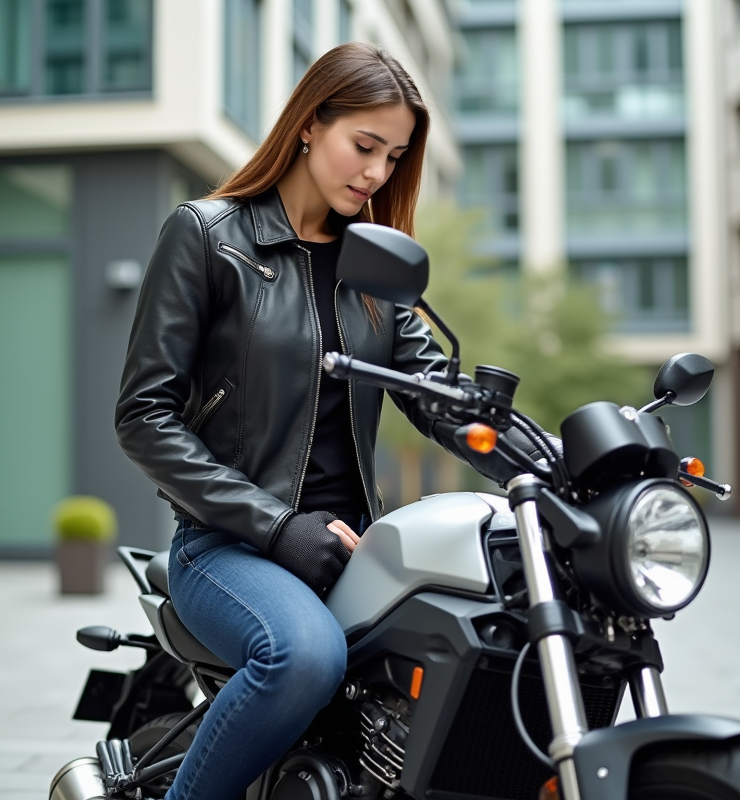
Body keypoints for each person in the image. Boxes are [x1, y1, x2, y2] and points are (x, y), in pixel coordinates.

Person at [114, 43, 538, 800]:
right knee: (302, 657)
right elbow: (144, 417)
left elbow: (438, 394)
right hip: (226, 544)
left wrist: (552, 463)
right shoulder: (209, 236)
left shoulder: (372, 269)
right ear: (310, 125)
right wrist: (277, 525)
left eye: (394, 156)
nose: (376, 173)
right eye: (364, 146)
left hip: (351, 550)